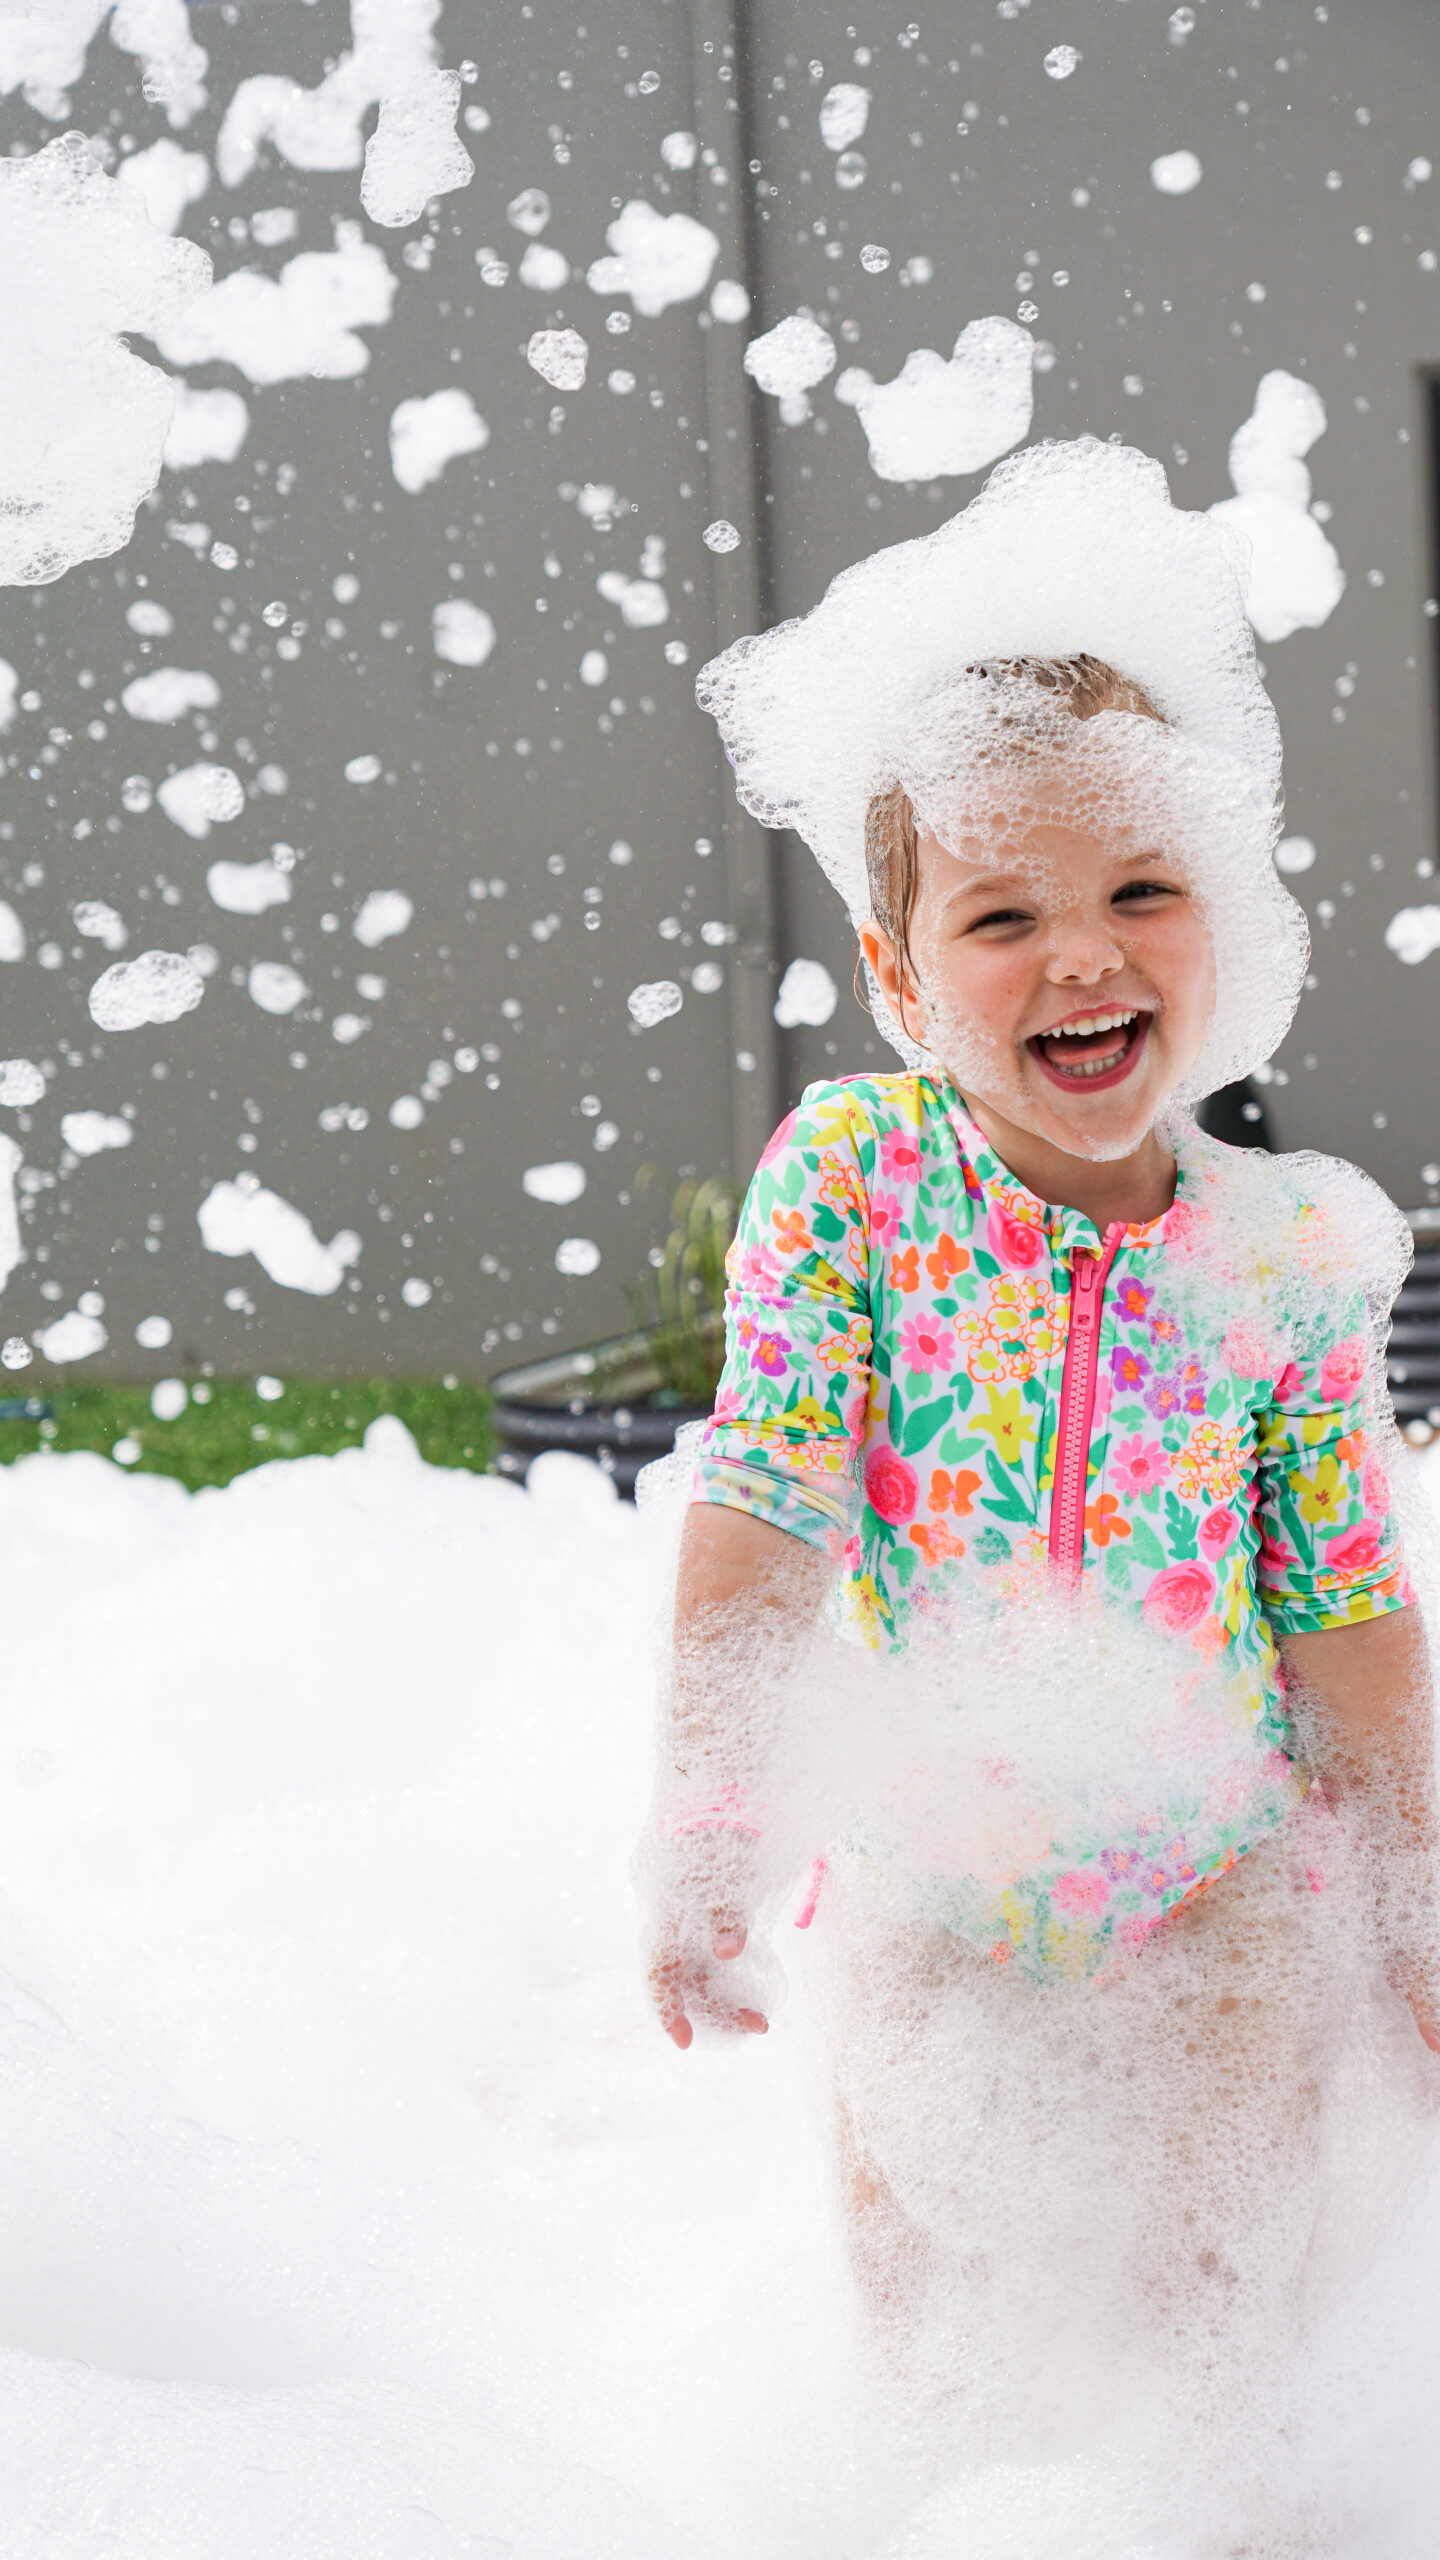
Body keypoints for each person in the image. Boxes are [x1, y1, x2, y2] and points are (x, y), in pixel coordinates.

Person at [637, 444, 1438, 2369]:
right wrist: (713, 1821)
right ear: (906, 981)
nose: (1080, 948)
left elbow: (1344, 1611)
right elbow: (763, 1509)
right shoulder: (860, 1186)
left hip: (1218, 1862)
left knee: (1221, 2286)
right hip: (935, 1855)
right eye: (1003, 918)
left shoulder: (1274, 1256)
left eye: (1140, 887)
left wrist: (1413, 1897)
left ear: (1220, 926)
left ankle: (1218, 2489)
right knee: (917, 2295)